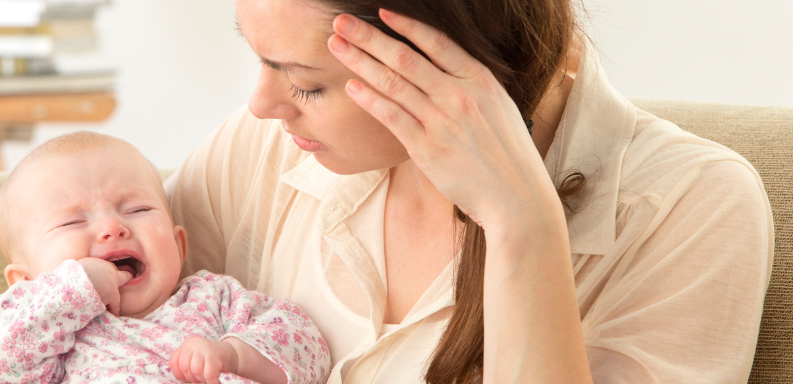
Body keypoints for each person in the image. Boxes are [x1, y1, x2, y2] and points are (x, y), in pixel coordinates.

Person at [165, 0, 773, 383]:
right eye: (262, 59)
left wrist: (521, 225)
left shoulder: (694, 206)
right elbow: (90, 317)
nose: (260, 104)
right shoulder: (266, 145)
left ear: (440, 66)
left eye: (305, 84)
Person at [0, 132, 330, 384]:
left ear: (180, 247)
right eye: (71, 221)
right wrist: (72, 290)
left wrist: (233, 353)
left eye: (137, 210)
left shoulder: (215, 298)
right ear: (27, 283)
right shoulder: (49, 340)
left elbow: (308, 347)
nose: (112, 228)